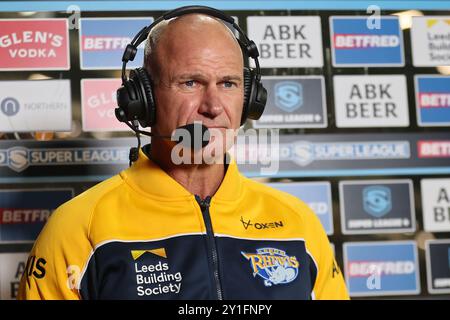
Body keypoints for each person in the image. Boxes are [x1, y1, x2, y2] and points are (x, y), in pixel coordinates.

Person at [18, 7, 349, 300]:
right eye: (190, 82)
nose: (214, 107)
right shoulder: (77, 226)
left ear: (250, 99)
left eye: (229, 84)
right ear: (143, 100)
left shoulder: (299, 223)